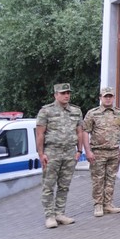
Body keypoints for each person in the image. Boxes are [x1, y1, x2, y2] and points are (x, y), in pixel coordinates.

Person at [36, 83, 87, 228]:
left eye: (68, 93)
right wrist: (41, 154)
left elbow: (79, 131)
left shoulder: (76, 111)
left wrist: (79, 150)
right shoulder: (46, 111)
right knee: (48, 185)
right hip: (52, 152)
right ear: (55, 95)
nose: (66, 95)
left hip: (70, 152)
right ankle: (49, 216)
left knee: (64, 185)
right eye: (63, 93)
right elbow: (40, 134)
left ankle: (60, 213)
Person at [83, 87, 120, 217]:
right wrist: (87, 151)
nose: (108, 99)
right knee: (98, 180)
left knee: (111, 179)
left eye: (110, 96)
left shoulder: (119, 113)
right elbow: (85, 132)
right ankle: (98, 205)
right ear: (100, 98)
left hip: (114, 152)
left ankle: (108, 204)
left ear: (113, 97)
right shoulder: (92, 113)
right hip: (98, 152)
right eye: (105, 96)